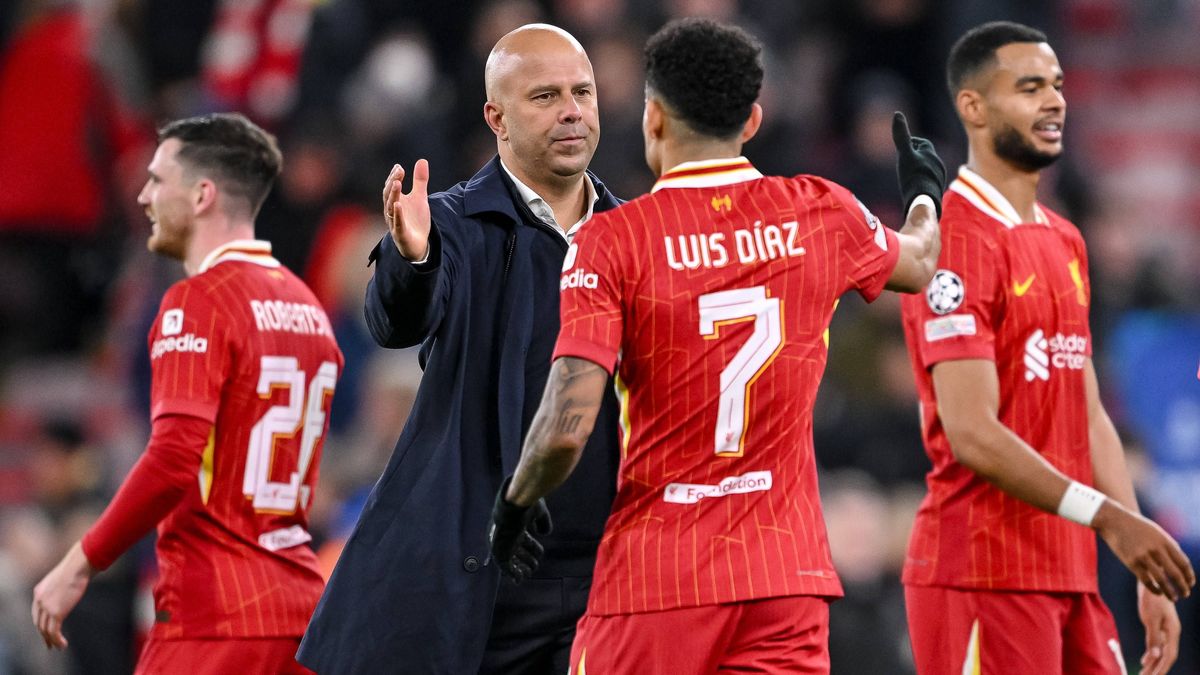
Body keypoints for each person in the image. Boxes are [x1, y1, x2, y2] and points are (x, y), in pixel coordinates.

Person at [488, 17, 945, 674]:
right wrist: (924, 190)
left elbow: (566, 426)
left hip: (654, 583)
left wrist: (517, 501)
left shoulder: (613, 241)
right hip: (783, 577)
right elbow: (922, 258)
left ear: (652, 118)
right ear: (753, 120)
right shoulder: (819, 212)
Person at [297, 24, 623, 674]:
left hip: (608, 569)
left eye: (581, 92)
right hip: (485, 570)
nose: (571, 111)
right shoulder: (450, 223)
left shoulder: (632, 231)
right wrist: (411, 258)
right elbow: (393, 321)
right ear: (496, 117)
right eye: (545, 95)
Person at [897, 21, 1195, 675]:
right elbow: (972, 431)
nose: (1055, 101)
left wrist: (1140, 559)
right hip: (980, 573)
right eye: (1029, 87)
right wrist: (1113, 519)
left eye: (1058, 85)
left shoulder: (1065, 241)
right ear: (972, 106)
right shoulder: (955, 242)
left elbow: (1086, 413)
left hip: (1072, 573)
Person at [30, 113, 344, 674]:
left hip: (214, 617)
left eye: (156, 179)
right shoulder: (308, 308)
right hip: (299, 616)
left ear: (202, 195)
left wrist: (79, 562)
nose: (144, 195)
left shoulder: (197, 301)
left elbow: (174, 456)